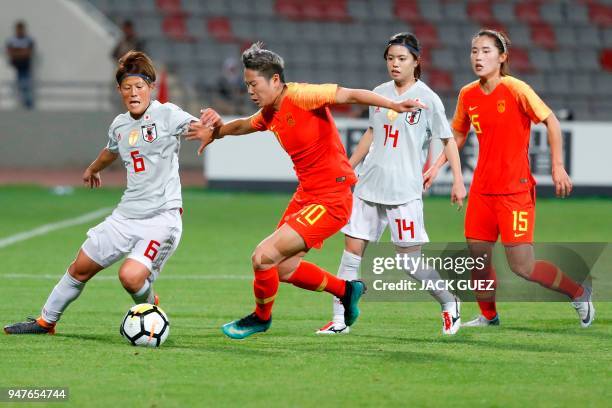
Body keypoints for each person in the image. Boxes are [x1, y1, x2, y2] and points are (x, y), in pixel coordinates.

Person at [186, 42, 426, 340]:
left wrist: (393, 104)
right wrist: (216, 132)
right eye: (246, 84)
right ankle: (346, 290)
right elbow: (245, 125)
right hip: (308, 195)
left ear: (275, 80)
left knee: (262, 257)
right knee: (283, 268)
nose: (249, 90)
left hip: (332, 197)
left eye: (253, 84)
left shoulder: (302, 95)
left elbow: (349, 94)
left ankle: (261, 318)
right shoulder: (270, 112)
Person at [4, 51, 197, 335]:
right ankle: (46, 322)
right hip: (125, 216)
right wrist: (93, 168)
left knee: (130, 277)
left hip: (161, 218)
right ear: (119, 90)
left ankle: (150, 309)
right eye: (127, 87)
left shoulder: (167, 114)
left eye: (139, 87)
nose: (134, 93)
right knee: (79, 267)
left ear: (150, 88)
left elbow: (199, 127)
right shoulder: (119, 125)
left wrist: (211, 128)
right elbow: (111, 151)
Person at [424, 29, 594, 328]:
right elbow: (458, 133)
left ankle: (578, 292)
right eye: (474, 51)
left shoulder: (516, 88)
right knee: (478, 260)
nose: (478, 57)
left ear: (502, 57)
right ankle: (489, 316)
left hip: (514, 191)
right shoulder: (468, 94)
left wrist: (557, 165)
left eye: (486, 51)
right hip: (482, 191)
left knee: (523, 267)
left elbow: (551, 121)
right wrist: (438, 166)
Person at [316, 32, 466, 336]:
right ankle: (339, 320)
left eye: (401, 59)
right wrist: (348, 168)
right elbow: (372, 133)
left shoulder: (428, 98)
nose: (394, 64)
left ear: (416, 61)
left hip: (404, 191)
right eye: (390, 58)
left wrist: (458, 181)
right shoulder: (379, 93)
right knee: (350, 255)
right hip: (370, 185)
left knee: (410, 263)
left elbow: (448, 141)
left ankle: (450, 303)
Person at [5, 20, 35, 109]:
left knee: (26, 87)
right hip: (14, 68)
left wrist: (17, 52)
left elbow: (28, 53)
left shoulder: (28, 40)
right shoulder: (11, 40)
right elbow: (10, 53)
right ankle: (16, 105)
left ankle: (27, 105)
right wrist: (21, 52)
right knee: (15, 88)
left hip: (25, 68)